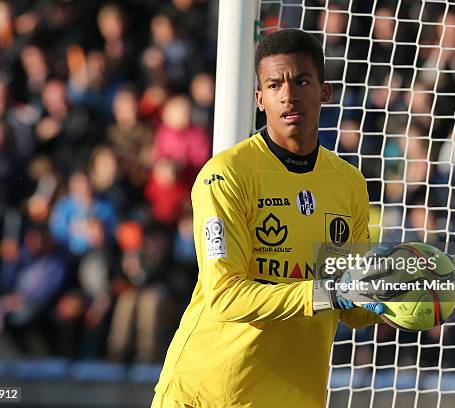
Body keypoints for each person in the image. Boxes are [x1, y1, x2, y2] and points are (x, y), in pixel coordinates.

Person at [151, 29, 385, 408]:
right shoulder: (226, 176)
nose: (288, 95)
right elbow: (226, 297)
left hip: (295, 397)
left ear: (325, 92)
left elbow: (352, 305)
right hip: (208, 394)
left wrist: (396, 299)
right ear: (260, 99)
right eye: (274, 85)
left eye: (302, 81)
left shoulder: (348, 184)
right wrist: (327, 291)